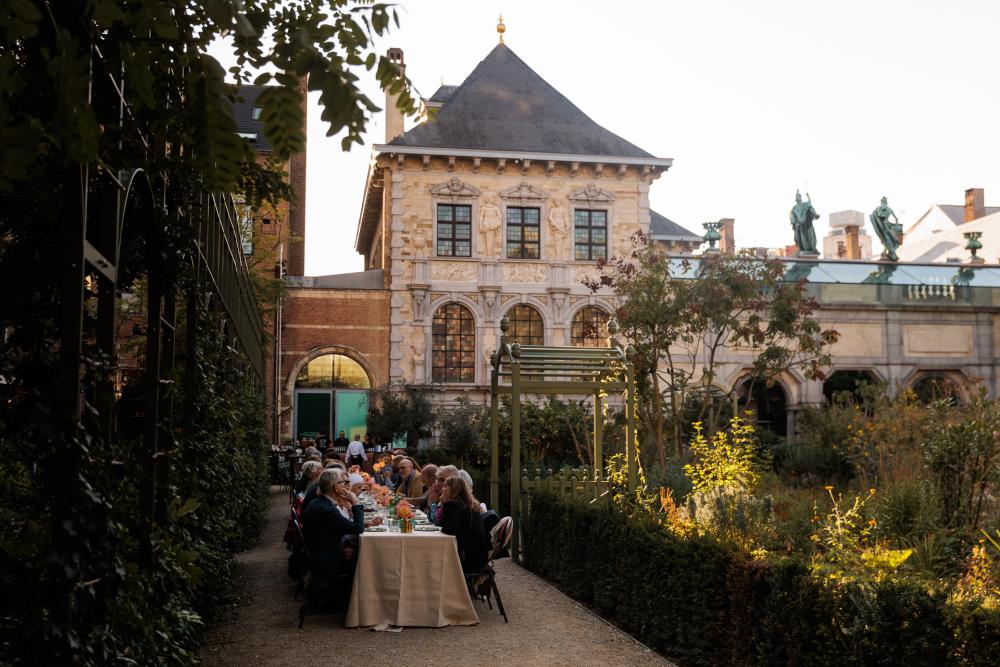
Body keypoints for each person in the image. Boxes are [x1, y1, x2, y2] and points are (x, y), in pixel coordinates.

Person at [302, 469, 366, 610]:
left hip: (321, 551)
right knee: (366, 556)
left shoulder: (320, 503)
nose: (347, 486)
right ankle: (356, 604)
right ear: (335, 486)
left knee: (359, 549)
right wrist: (354, 502)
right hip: (326, 557)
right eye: (344, 483)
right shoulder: (327, 509)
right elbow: (358, 528)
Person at [439, 476, 491, 573]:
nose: (443, 489)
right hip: (479, 555)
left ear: (454, 489)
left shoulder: (451, 505)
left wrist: (443, 506)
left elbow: (452, 531)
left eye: (446, 486)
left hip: (465, 558)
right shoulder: (471, 504)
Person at [789, 190, 820, 255]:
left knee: (810, 237)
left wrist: (808, 197)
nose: (798, 199)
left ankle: (812, 249)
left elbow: (809, 204)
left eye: (799, 197)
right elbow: (792, 216)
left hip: (807, 222)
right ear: (796, 199)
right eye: (797, 198)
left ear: (800, 198)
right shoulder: (794, 208)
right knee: (803, 238)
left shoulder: (805, 204)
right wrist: (795, 223)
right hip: (800, 225)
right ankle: (805, 249)